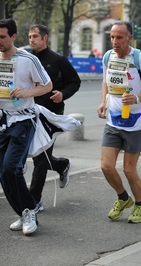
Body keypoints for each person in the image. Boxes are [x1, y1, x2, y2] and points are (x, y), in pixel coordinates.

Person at [97, 21, 141, 223]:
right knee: (106, 167)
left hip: (135, 123)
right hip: (113, 121)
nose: (115, 41)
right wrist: (103, 102)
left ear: (129, 38)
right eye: (112, 37)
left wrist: (137, 98)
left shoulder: (140, 59)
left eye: (119, 37)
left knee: (128, 169)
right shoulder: (108, 56)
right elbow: (106, 81)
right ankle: (124, 198)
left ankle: (140, 206)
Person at [0, 18, 53, 235]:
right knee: (3, 173)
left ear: (13, 37)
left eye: (3, 37)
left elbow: (47, 86)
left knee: (12, 167)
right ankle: (24, 211)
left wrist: (26, 92)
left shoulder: (27, 59)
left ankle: (31, 209)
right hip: (3, 121)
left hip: (23, 121)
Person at [28, 24, 81, 212]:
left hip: (51, 114)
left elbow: (75, 82)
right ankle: (62, 165)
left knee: (41, 159)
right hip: (29, 113)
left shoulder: (58, 60)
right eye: (29, 36)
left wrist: (62, 94)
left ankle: (34, 201)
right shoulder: (26, 58)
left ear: (45, 38)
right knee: (34, 156)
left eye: (35, 36)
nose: (32, 40)